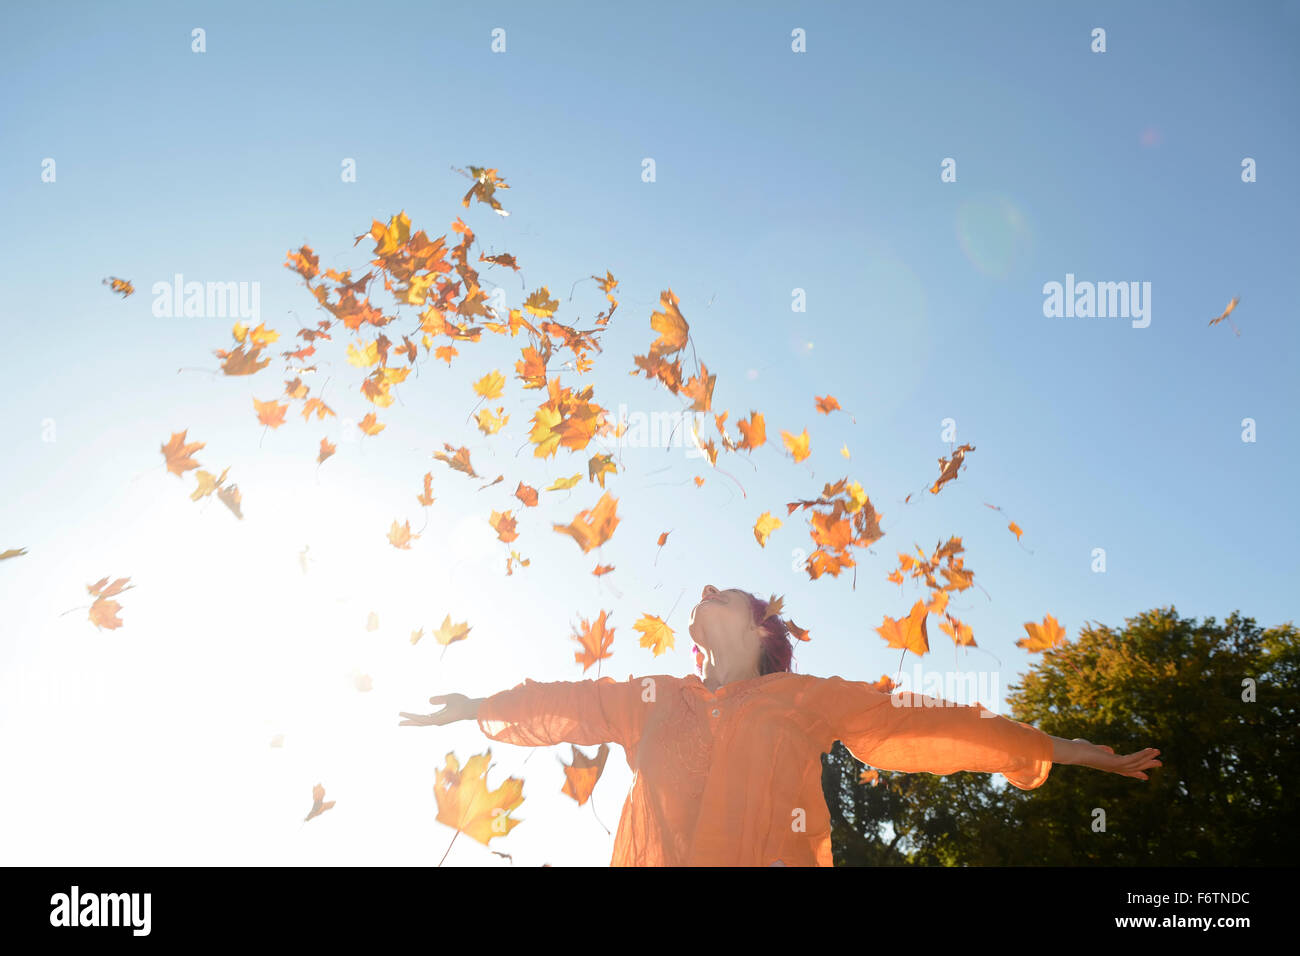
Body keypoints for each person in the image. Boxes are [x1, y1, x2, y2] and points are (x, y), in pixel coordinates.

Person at [399, 585, 1161, 866]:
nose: (703, 589)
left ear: (762, 632)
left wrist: (1062, 750)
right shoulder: (651, 697)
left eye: (723, 591)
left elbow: (943, 724)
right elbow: (561, 700)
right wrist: (478, 707)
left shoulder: (807, 698)